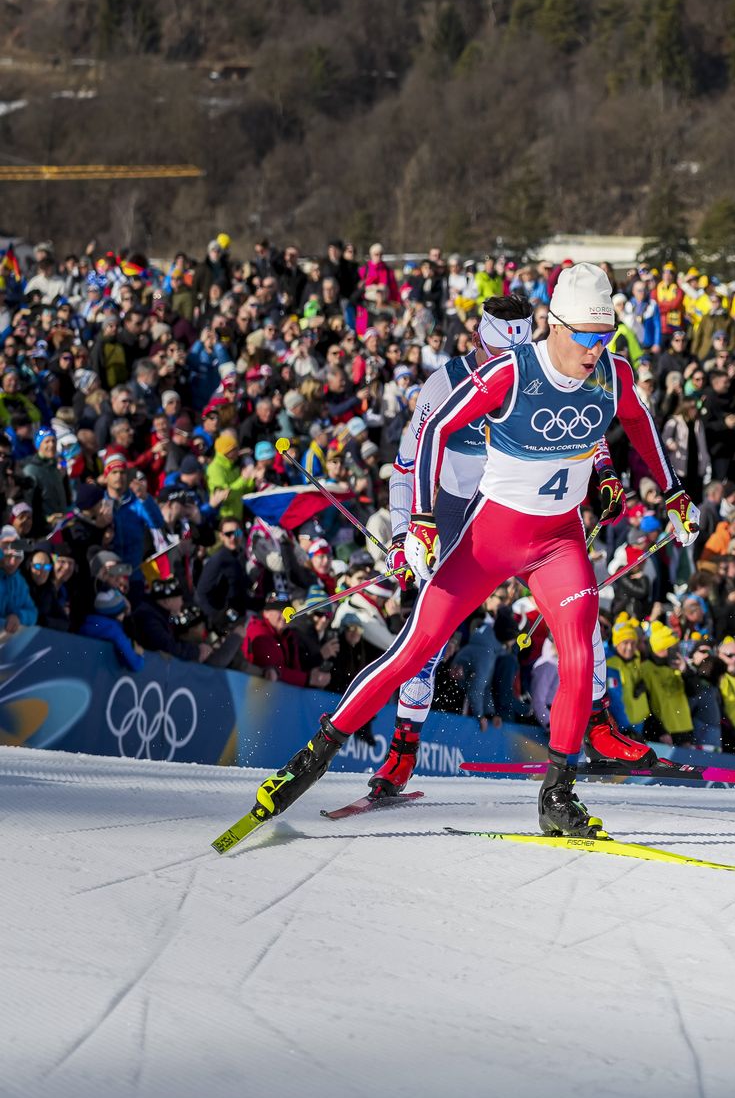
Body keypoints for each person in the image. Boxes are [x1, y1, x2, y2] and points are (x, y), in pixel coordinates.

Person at [242, 264, 697, 838]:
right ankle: (307, 764)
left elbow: (639, 422)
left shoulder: (611, 373)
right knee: (415, 651)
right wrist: (421, 524)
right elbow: (429, 435)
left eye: (603, 336)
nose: (594, 349)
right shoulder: (510, 372)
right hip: (486, 541)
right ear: (554, 326)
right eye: (584, 335)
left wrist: (674, 492)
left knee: (580, 646)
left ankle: (559, 794)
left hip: (557, 543)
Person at [364, 293, 541, 798]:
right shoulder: (444, 385)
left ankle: (591, 730)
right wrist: (403, 535)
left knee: (574, 608)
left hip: (510, 512)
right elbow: (403, 469)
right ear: (478, 342)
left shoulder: (533, 377)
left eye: (514, 360)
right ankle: (402, 753)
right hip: (448, 512)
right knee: (428, 640)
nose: (504, 370)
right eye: (494, 358)